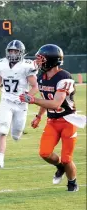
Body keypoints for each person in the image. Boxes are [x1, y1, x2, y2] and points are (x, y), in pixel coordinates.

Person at [19, 44, 86, 191]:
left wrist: (32, 100)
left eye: (41, 59)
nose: (38, 62)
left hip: (68, 120)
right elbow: (46, 98)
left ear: (52, 60)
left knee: (67, 158)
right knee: (44, 153)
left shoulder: (64, 77)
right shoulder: (41, 77)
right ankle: (60, 166)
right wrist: (39, 116)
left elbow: (56, 103)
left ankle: (72, 182)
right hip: (52, 121)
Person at [0, 40, 38, 169]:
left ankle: (17, 134)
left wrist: (28, 96)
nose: (13, 53)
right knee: (3, 130)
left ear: (21, 53)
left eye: (16, 51)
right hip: (6, 101)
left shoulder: (27, 66)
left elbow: (35, 86)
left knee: (16, 134)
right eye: (11, 51)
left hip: (21, 103)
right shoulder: (1, 64)